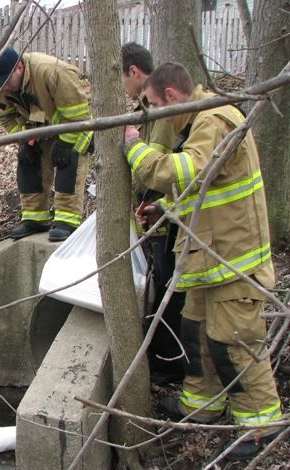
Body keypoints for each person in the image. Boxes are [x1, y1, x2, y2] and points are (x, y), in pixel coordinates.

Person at [123, 62, 282, 459]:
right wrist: (165, 210)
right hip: (209, 260)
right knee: (195, 333)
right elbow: (202, 189)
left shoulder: (214, 120)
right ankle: (202, 406)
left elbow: (184, 170)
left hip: (233, 262)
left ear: (171, 98)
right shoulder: (202, 123)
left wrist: (134, 148)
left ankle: (261, 425)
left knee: (235, 342)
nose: (162, 121)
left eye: (158, 108)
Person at [122, 42, 185, 384]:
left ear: (134, 71)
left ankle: (170, 365)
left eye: (123, 78)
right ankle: (168, 362)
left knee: (169, 289)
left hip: (165, 216)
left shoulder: (158, 109)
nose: (123, 87)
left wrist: (152, 203)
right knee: (163, 285)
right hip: (158, 212)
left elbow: (160, 165)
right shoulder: (147, 106)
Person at [0, 47, 93, 242]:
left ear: (19, 67)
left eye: (5, 81)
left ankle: (67, 220)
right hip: (41, 125)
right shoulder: (1, 85)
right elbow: (4, 117)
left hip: (77, 123)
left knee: (67, 160)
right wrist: (23, 139)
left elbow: (79, 114)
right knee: (27, 161)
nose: (2, 87)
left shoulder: (51, 72)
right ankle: (34, 217)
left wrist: (65, 142)